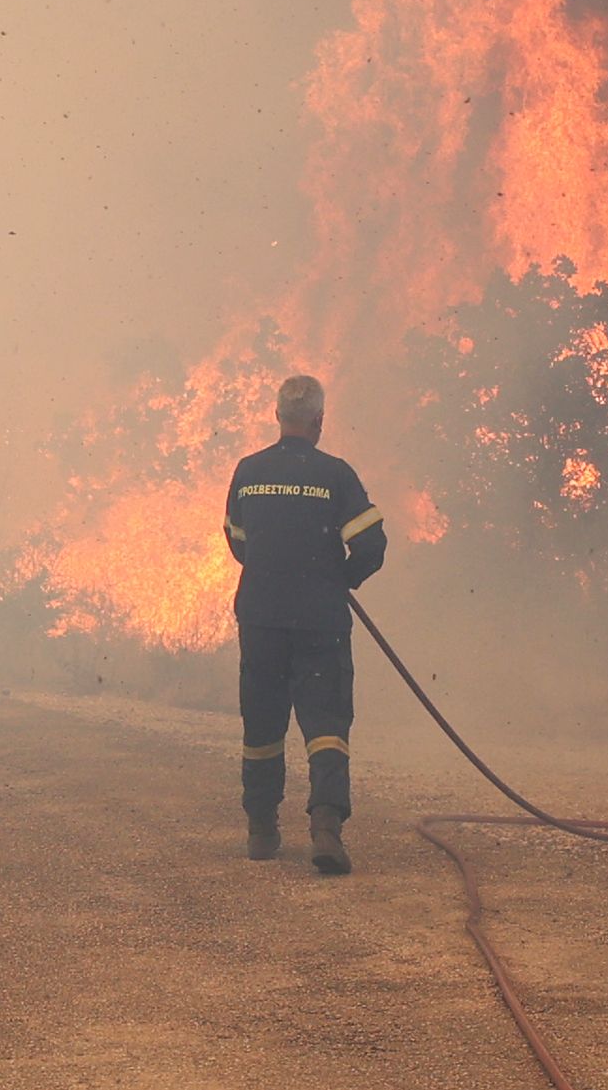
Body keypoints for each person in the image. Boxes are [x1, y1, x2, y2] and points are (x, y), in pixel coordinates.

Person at [220, 373, 387, 874]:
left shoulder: (249, 471)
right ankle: (326, 828)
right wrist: (338, 578)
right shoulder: (335, 474)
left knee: (262, 722)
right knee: (327, 724)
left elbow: (237, 538)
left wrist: (273, 569)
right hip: (319, 620)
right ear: (319, 420)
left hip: (262, 616)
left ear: (277, 416)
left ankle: (261, 830)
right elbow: (372, 544)